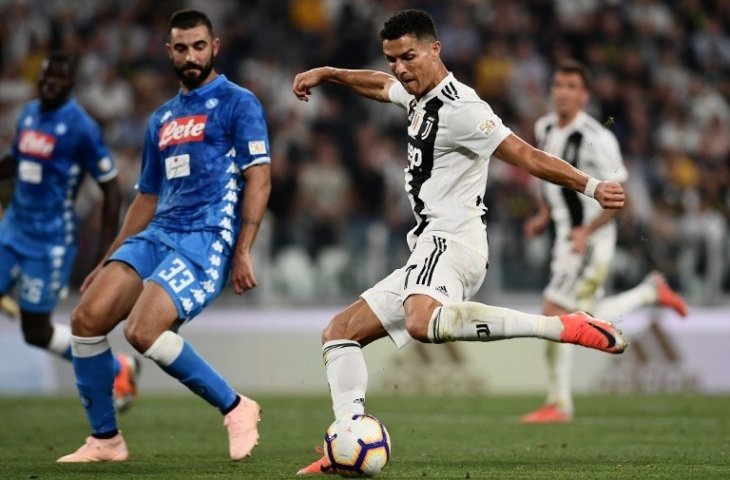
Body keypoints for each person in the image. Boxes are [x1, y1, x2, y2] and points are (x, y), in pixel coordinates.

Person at [292, 9, 628, 475]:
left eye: (408, 57)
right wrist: (329, 73)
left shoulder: (463, 109)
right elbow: (376, 85)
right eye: (393, 60)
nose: (400, 69)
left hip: (454, 242)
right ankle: (347, 439)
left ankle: (560, 326)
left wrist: (591, 187)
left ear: (436, 49)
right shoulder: (413, 93)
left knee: (419, 321)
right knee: (339, 334)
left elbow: (526, 155)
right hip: (428, 246)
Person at [57, 9, 271, 463]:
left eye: (199, 46)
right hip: (157, 233)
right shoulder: (162, 119)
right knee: (86, 318)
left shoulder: (238, 102)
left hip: (205, 237)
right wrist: (108, 257)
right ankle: (105, 441)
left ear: (214, 47)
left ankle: (236, 408)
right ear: (168, 52)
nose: (191, 55)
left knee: (142, 330)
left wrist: (244, 249)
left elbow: (260, 178)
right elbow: (146, 198)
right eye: (181, 47)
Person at [518, 60, 688, 424]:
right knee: (581, 314)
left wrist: (585, 231)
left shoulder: (599, 136)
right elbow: (547, 178)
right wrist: (544, 216)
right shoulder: (543, 126)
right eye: (558, 85)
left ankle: (559, 403)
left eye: (571, 86)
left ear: (585, 95)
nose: (562, 92)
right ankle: (649, 293)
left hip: (590, 240)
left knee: (555, 313)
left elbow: (619, 194)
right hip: (565, 236)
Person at [0, 52, 139, 412]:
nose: (50, 83)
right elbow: (17, 161)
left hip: (49, 243)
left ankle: (116, 367)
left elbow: (110, 187)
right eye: (46, 77)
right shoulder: (29, 113)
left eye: (59, 79)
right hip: (12, 229)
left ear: (71, 84)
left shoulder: (81, 127)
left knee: (36, 332)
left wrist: (107, 251)